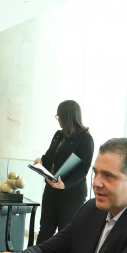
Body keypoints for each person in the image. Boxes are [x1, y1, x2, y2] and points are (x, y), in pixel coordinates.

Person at [34, 100, 94, 244]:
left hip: (71, 193)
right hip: (51, 188)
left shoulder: (85, 138)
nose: (58, 119)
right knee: (45, 231)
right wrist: (40, 161)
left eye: (59, 116)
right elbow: (50, 157)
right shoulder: (58, 135)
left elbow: (83, 169)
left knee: (65, 234)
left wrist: (65, 184)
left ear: (67, 116)